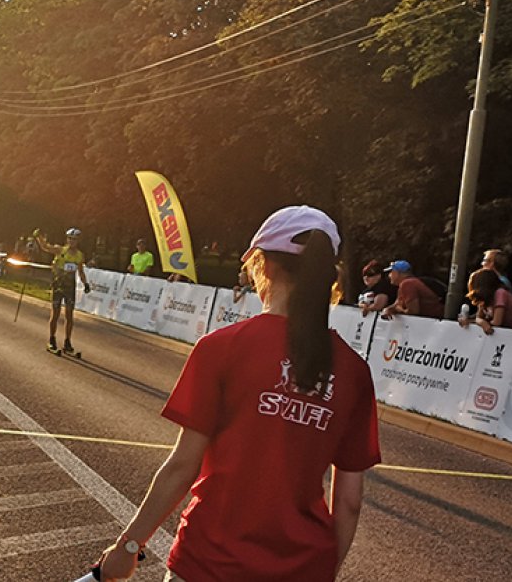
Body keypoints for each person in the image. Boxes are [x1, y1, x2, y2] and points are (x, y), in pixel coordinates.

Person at [94, 206, 379, 582]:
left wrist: (129, 547)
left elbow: (182, 467)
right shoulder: (354, 371)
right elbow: (349, 502)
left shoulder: (223, 347)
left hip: (208, 562)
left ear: (265, 266)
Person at [31, 227, 92, 355]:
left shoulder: (80, 255)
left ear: (78, 241)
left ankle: (67, 342)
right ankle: (52, 339)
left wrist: (85, 283)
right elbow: (45, 247)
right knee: (56, 314)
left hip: (70, 288)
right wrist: (38, 237)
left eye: (74, 239)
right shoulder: (60, 250)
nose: (72, 241)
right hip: (58, 286)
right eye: (70, 239)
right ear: (67, 239)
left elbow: (80, 271)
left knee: (69, 316)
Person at [460, 268, 512, 334]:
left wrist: (479, 322)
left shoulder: (500, 293)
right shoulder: (486, 299)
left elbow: (497, 322)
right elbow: (479, 317)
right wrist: (471, 320)